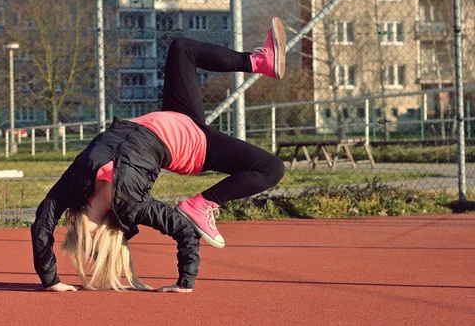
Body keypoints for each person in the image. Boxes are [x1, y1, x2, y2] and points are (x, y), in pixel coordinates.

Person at [31, 17, 287, 293]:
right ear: (100, 235)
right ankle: (201, 205)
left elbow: (42, 221)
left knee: (181, 48)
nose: (72, 228)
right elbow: (185, 233)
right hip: (191, 144)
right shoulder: (133, 206)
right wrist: (185, 282)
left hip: (172, 117)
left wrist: (50, 280)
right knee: (271, 168)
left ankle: (262, 62)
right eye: (82, 238)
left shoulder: (76, 185)